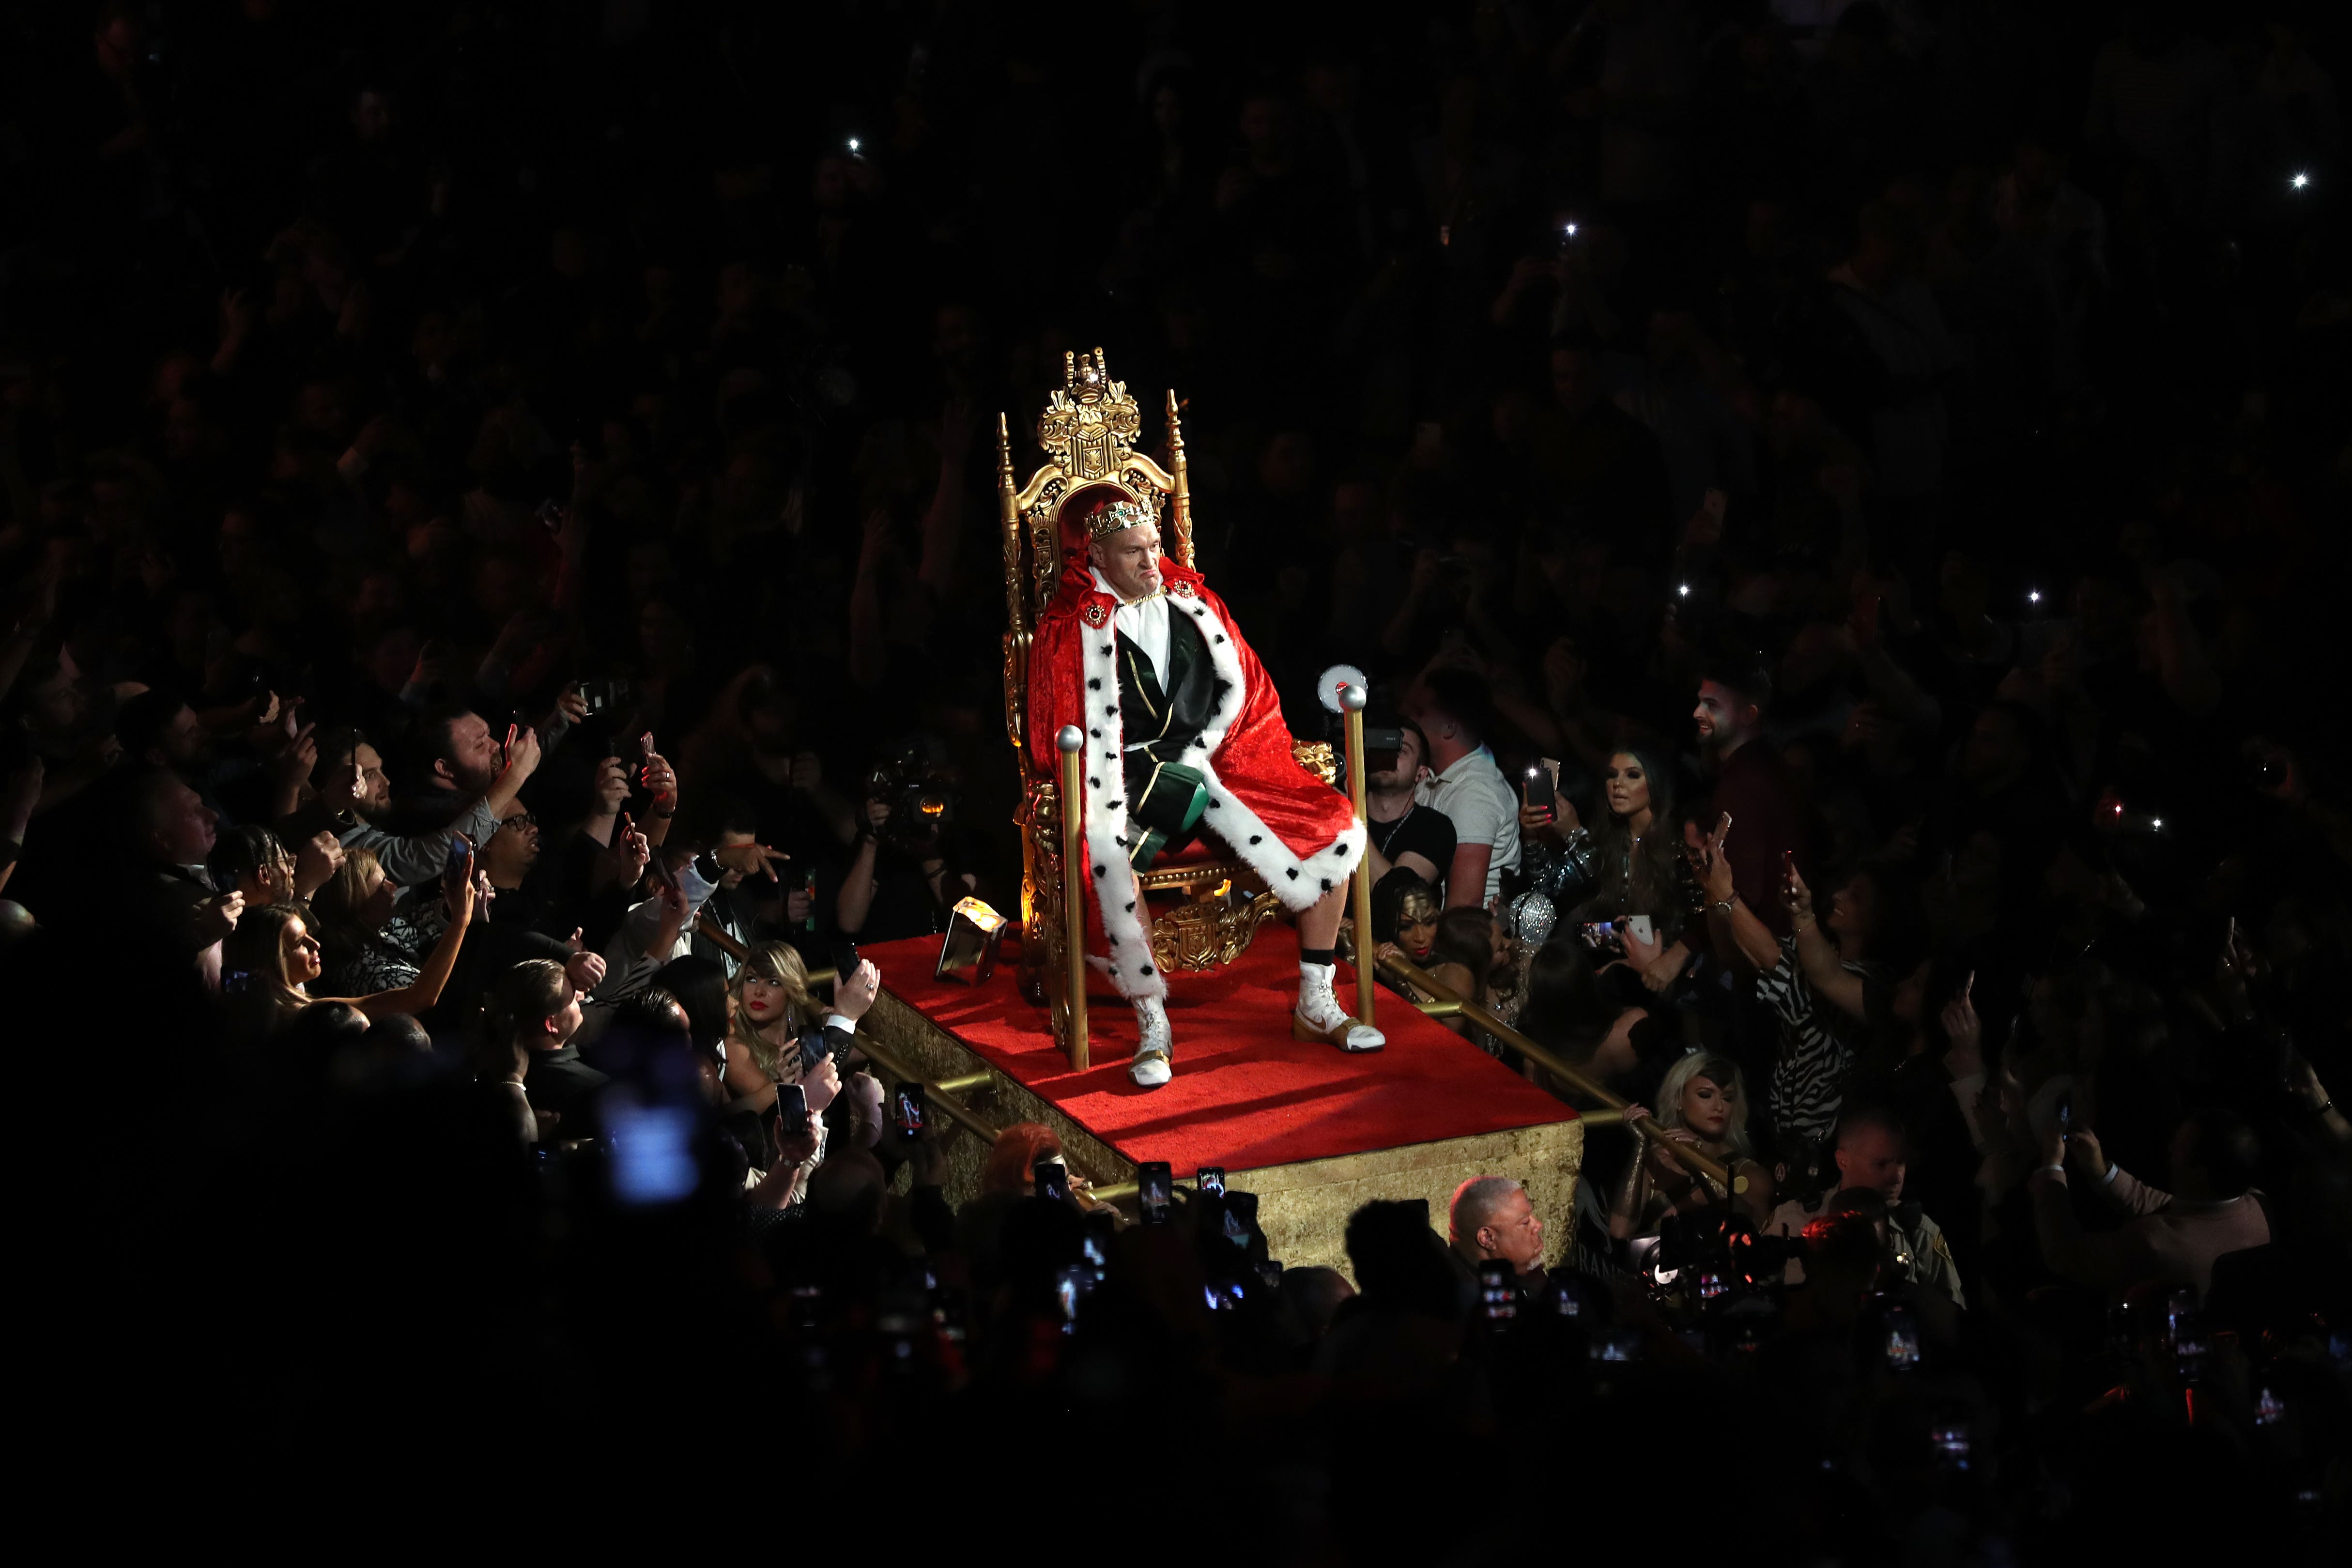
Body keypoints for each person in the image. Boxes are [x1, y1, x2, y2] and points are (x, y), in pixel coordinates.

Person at [1027, 488, 1383, 1087]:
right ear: (1097, 558)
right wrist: (1138, 775)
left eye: (1154, 547)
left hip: (1219, 765)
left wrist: (1220, 760)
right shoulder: (1069, 630)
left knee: (1334, 822)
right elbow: (1054, 741)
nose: (1151, 563)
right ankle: (1153, 1024)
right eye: (1133, 553)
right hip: (1123, 778)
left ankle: (1316, 1002)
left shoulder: (1197, 601)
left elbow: (1253, 695)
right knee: (1106, 854)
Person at [2035, 1110, 2272, 1301]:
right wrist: (2101, 1171)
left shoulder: (2153, 1241)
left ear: (2200, 1175)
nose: (2169, 1151)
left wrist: (2051, 1166)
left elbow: (2065, 1253)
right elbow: (2176, 1210)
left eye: (2178, 1147)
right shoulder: (2259, 1205)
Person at [1765, 1105, 1964, 1306]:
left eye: (1901, 1162)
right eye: (1881, 1164)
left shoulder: (1918, 1232)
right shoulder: (1791, 1219)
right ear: (1843, 1161)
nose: (1896, 1177)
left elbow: (1953, 1315)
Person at [221, 873, 477, 1028]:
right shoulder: (302, 1017)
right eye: (300, 943)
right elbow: (420, 997)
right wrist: (460, 923)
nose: (315, 944)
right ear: (271, 960)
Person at [1610, 1052, 1773, 1238]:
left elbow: (1756, 1229)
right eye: (1706, 1095)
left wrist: (1700, 1169)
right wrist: (1640, 1147)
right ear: (1678, 1099)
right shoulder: (1656, 1161)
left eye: (1727, 1098)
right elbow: (1619, 1230)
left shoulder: (1749, 1173)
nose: (1719, 1107)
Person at [1692, 659, 1801, 934]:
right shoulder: (1754, 770)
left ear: (1748, 715)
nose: (1697, 713)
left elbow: (1742, 894)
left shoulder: (1746, 784)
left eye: (1712, 705)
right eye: (1700, 702)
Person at [1404, 666, 1520, 909]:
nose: (1410, 719)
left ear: (1449, 728)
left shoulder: (1474, 794)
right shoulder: (1440, 774)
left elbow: (1463, 906)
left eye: (1420, 713)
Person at [1360, 718, 1455, 887]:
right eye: (1382, 747)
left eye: (1401, 750)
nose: (1389, 755)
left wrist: (1350, 821)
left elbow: (1399, 898)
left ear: (1422, 773)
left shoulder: (1435, 828)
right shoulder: (1334, 814)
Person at [1446, 1175, 1548, 1295]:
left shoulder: (1524, 1277)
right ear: (1488, 1238)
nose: (1538, 1226)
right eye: (1525, 1223)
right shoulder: (1462, 1303)